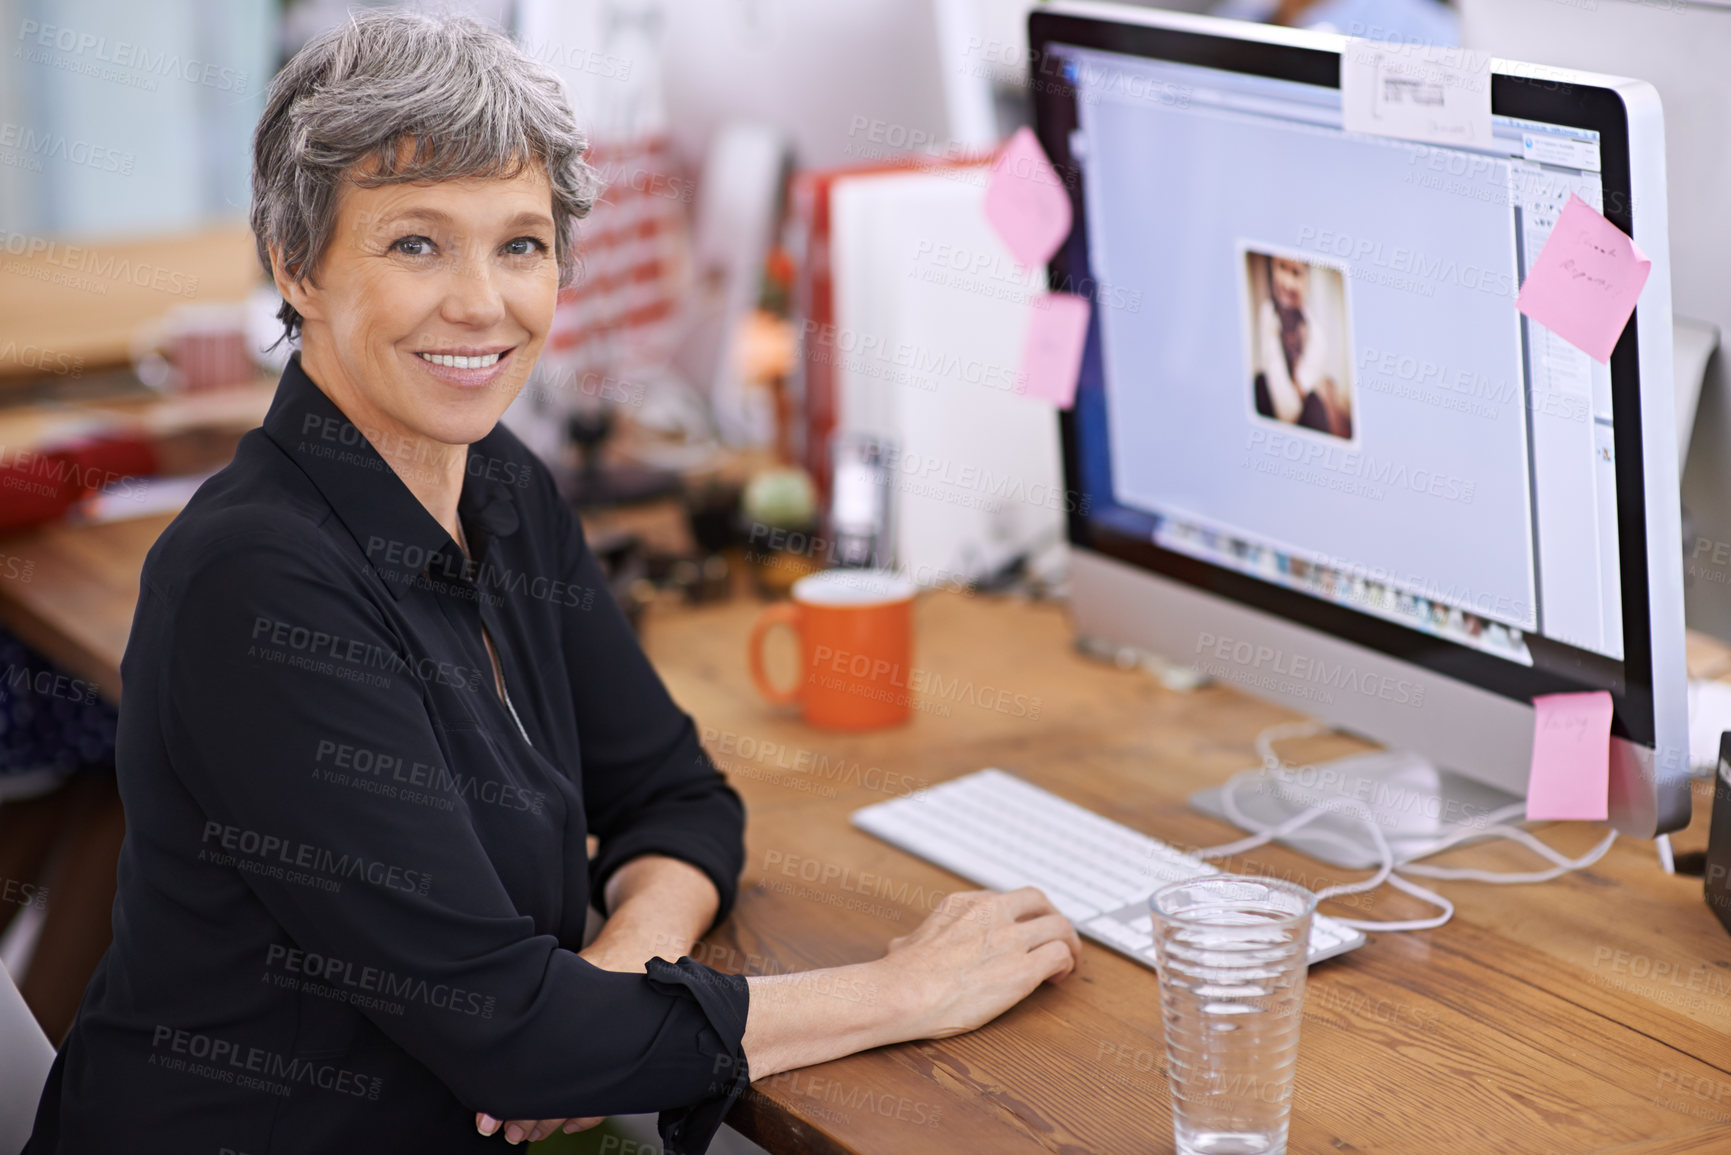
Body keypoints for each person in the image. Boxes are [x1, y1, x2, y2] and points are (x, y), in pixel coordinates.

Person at [23, 12, 1081, 1154]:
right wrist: (908, 987)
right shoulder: (256, 588)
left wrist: (616, 992)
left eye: (521, 245)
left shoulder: (497, 487)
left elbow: (677, 797)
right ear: (298, 267)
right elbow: (515, 1039)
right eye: (416, 244)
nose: (483, 304)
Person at [1252, 255, 1353, 439]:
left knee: (1316, 404)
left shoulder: (1317, 337)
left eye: (1296, 273)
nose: (1287, 282)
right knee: (1259, 382)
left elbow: (1289, 412)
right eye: (1282, 267)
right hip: (1275, 400)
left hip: (1299, 414)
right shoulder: (1268, 313)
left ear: (1307, 281)